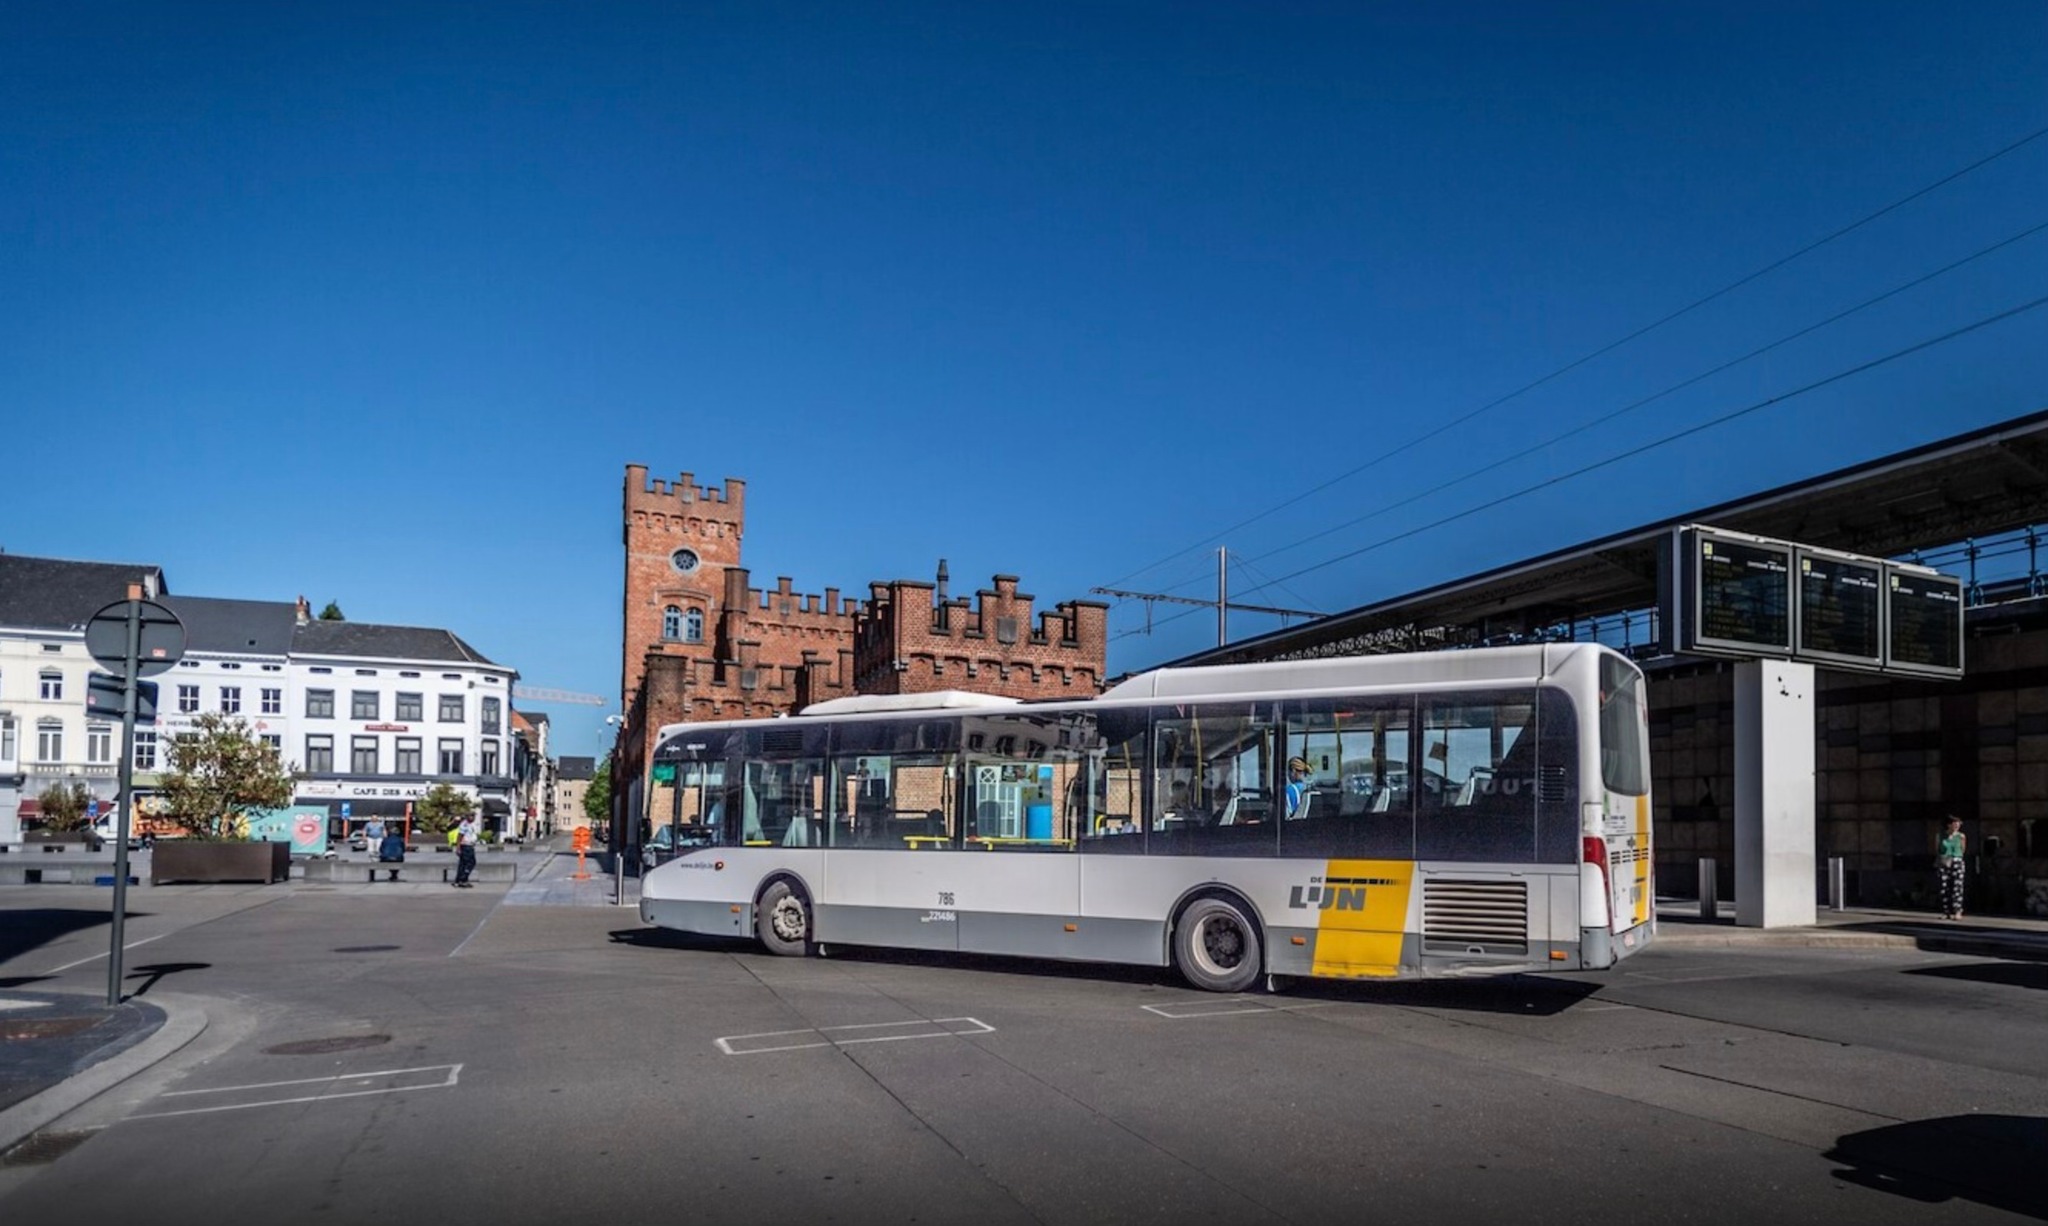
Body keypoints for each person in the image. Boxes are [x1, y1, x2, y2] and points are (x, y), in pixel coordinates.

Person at [1936, 815, 1967, 919]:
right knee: (1944, 887)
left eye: (1958, 824)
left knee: (1957, 887)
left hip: (1957, 860)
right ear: (1949, 824)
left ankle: (1958, 910)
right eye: (1954, 823)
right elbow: (1937, 849)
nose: (1957, 826)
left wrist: (1957, 858)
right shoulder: (1940, 836)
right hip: (1944, 861)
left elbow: (1963, 849)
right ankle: (1946, 911)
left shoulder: (1961, 836)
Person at [453, 814, 480, 888]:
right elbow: (459, 836)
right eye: (471, 816)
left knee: (463, 864)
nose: (473, 818)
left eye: (474, 816)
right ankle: (463, 879)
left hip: (470, 845)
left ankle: (458, 880)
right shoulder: (465, 825)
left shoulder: (471, 824)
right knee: (471, 863)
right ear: (467, 817)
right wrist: (458, 848)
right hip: (466, 846)